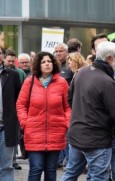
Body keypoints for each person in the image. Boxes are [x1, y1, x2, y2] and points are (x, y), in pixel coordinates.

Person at [62, 41, 115, 181]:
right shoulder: (106, 81)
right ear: (109, 58)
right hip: (97, 140)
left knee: (70, 174)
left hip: (77, 135)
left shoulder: (81, 72)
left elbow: (70, 100)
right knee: (98, 177)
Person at [16, 51, 71, 181]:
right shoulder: (29, 82)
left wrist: (66, 123)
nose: (47, 64)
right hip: (34, 132)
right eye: (43, 62)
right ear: (38, 65)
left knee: (51, 170)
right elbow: (20, 105)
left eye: (49, 61)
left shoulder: (62, 82)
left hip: (56, 132)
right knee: (36, 168)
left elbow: (68, 106)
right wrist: (25, 123)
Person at [0, 46, 22, 181]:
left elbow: (19, 100)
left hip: (6, 127)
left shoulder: (12, 75)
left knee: (6, 166)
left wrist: (18, 122)